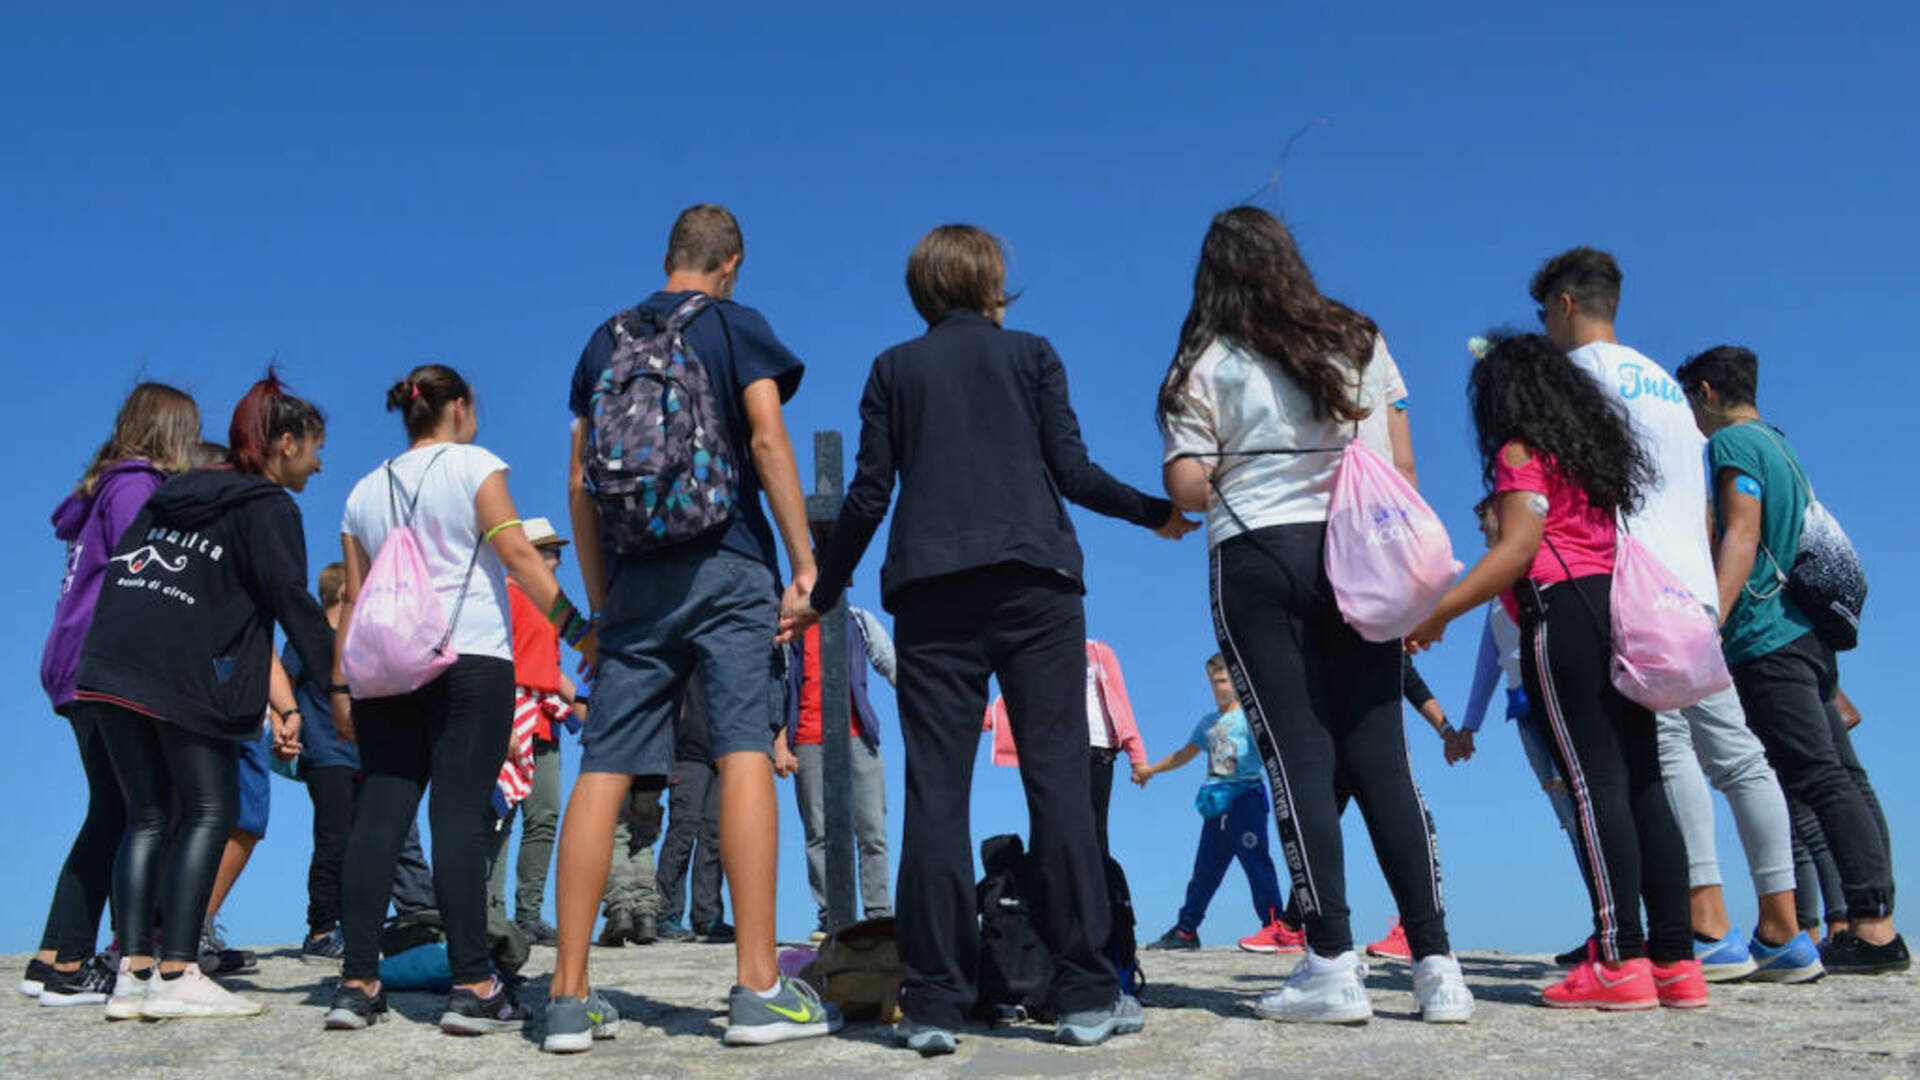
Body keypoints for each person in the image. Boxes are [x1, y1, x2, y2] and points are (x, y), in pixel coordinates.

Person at [787, 222, 1191, 1056]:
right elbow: (1072, 473)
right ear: (990, 283)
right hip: (1037, 587)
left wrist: (822, 592)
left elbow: (867, 497)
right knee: (1059, 785)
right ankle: (1084, 990)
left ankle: (934, 1001)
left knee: (937, 794)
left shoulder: (892, 369)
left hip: (932, 594)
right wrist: (1156, 513)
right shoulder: (1032, 354)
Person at [1159, 206, 1471, 1025]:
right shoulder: (1358, 336)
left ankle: (1330, 960)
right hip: (1360, 550)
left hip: (1259, 554)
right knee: (1382, 752)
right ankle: (1438, 967)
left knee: (1298, 754)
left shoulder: (1204, 357)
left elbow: (1189, 489)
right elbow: (1402, 462)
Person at [546, 204, 835, 1053]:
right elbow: (768, 439)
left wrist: (601, 601)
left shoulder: (603, 341)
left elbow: (578, 483)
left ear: (669, 257)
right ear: (731, 264)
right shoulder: (735, 325)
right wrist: (805, 562)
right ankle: (756, 989)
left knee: (604, 765)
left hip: (634, 578)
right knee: (743, 744)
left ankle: (567, 996)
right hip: (729, 559)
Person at [1533, 248, 1806, 983]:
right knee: (1740, 756)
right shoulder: (1662, 381)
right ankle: (1785, 928)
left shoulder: (1574, 378)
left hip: (1631, 587)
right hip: (1696, 587)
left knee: (1659, 760)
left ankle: (1706, 924)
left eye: (1543, 313)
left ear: (1564, 304)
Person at [1407, 332, 1701, 1010]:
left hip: (1559, 618)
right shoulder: (1591, 460)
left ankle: (1620, 958)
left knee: (1592, 785)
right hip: (1616, 612)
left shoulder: (1521, 454)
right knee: (1644, 782)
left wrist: (1438, 613)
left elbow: (1516, 551)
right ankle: (1676, 961)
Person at [326, 363, 597, 1035]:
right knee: (457, 814)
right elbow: (519, 557)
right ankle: (474, 986)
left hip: (385, 668)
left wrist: (341, 687)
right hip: (470, 657)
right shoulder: (475, 466)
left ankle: (356, 984)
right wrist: (579, 633)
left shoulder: (363, 490)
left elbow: (355, 598)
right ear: (459, 407)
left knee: (381, 813)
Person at [75, 372, 332, 1020]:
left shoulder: (179, 490)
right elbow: (295, 605)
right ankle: (179, 968)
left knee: (147, 816)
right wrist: (342, 684)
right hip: (179, 677)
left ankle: (133, 975)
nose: (319, 462)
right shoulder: (268, 507)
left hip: (109, 663)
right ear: (283, 443)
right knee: (212, 810)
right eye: (312, 448)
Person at [1674, 344, 1907, 975]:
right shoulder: (1781, 444)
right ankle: (1875, 919)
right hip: (1809, 635)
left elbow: (1742, 533)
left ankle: (1873, 930)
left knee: (1815, 779)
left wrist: (1708, 621)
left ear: (1703, 392)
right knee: (1845, 776)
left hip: (1766, 636)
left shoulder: (1731, 447)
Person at [24, 382, 201, 1007]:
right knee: (129, 809)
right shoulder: (133, 487)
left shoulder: (105, 485)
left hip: (73, 660)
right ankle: (74, 958)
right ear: (171, 433)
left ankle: (54, 954)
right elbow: (145, 568)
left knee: (109, 806)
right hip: (101, 663)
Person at [1450, 495, 1588, 962]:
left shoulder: (1537, 564)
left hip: (1559, 698)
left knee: (1588, 810)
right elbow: (1490, 658)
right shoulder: (1496, 587)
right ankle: (1603, 921)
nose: (1481, 527)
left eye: (1485, 515)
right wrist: (1469, 725)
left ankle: (1625, 925)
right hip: (1523, 708)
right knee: (1569, 817)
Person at [282, 564, 436, 964]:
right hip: (326, 753)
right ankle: (320, 931)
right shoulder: (311, 640)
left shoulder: (363, 643)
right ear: (346, 590)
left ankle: (360, 928)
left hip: (367, 755)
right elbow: (284, 681)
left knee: (370, 843)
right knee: (334, 839)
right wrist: (284, 724)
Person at [1136, 654, 1286, 955]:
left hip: (1246, 798)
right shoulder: (1207, 723)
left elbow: (1275, 749)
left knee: (1256, 863)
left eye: (1224, 673)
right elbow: (1184, 754)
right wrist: (1150, 769)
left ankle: (1276, 927)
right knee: (1205, 871)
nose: (1218, 677)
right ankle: (1186, 930)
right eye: (1213, 675)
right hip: (1215, 804)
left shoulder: (1251, 717)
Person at [484, 517, 588, 947]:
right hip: (512, 716)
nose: (557, 559)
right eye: (548, 551)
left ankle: (529, 914)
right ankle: (492, 915)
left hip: (544, 722)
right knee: (500, 816)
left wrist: (584, 701)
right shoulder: (504, 596)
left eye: (557, 552)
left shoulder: (549, 606)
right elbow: (497, 659)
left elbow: (548, 668)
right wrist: (503, 717)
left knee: (544, 817)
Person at [776, 602, 897, 938]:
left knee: (872, 829)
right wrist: (780, 743)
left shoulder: (858, 620)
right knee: (818, 832)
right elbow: (778, 686)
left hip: (858, 737)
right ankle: (832, 917)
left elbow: (891, 665)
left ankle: (878, 917)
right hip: (808, 740)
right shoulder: (789, 627)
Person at [980, 638, 1147, 868]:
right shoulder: (1040, 655)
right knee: (1050, 828)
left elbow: (1120, 702)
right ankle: (1052, 895)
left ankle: (1102, 897)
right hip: (1056, 752)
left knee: (1093, 830)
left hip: (1097, 750)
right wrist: (964, 717)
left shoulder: (1098, 653)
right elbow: (1021, 705)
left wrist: (1137, 757)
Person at [656, 680, 727, 943]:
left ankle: (707, 916)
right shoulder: (685, 645)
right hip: (686, 754)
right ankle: (666, 913)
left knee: (714, 835)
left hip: (721, 754)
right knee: (682, 832)